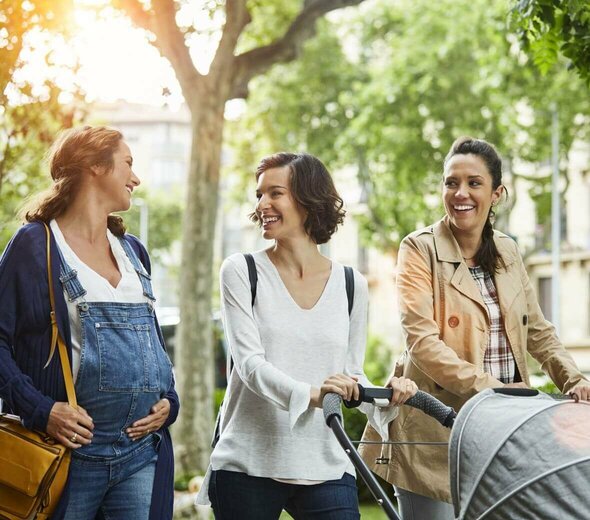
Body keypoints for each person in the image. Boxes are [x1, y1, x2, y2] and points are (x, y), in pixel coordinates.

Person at [359, 136, 590, 519]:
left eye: (473, 183)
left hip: (503, 432)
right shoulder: (418, 249)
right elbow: (423, 343)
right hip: (435, 429)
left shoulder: (508, 250)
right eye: (451, 182)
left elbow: (536, 330)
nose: (460, 193)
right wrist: (495, 391)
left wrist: (573, 379)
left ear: (497, 193)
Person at [196, 152, 417, 519]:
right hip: (248, 463)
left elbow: (351, 375)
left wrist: (386, 396)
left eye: (275, 193)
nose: (262, 204)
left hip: (324, 463)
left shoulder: (351, 284)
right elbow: (250, 366)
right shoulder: (242, 271)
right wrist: (316, 395)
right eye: (259, 194)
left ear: (308, 199)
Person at [0, 126, 179, 519]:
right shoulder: (37, 245)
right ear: (96, 166)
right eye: (128, 164)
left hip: (139, 453)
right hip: (68, 455)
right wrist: (41, 409)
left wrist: (170, 401)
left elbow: (152, 344)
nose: (136, 178)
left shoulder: (134, 251)